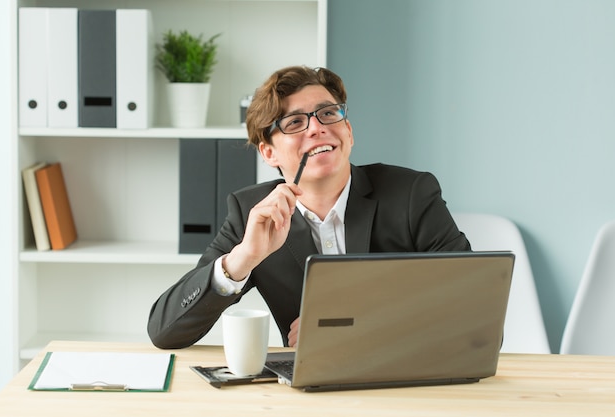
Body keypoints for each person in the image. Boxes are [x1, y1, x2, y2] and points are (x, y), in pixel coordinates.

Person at [147, 65, 470, 349]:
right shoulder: (252, 213)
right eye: (294, 122)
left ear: (349, 131)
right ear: (269, 153)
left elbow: (473, 309)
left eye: (329, 113)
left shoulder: (410, 193)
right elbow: (165, 333)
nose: (317, 127)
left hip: (404, 377)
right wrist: (243, 258)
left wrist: (359, 324)